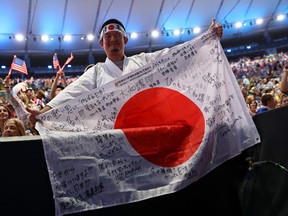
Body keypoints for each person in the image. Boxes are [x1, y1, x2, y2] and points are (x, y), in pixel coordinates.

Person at [27, 18, 223, 123]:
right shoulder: (96, 72)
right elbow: (71, 92)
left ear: (125, 40)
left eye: (117, 36)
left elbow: (172, 55)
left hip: (147, 125)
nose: (113, 40)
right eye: (109, 37)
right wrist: (43, 111)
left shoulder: (144, 61)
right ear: (101, 43)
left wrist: (206, 40)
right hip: (115, 129)